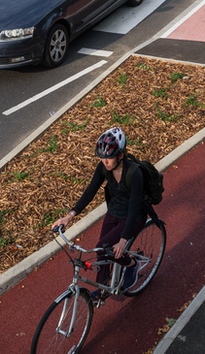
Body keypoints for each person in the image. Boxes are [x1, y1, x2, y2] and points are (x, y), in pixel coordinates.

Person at [51, 127, 146, 297]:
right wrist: (69, 216)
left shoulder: (134, 174)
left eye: (109, 157)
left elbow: (134, 208)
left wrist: (124, 240)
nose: (104, 161)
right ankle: (103, 291)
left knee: (108, 248)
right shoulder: (103, 168)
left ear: (121, 155)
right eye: (102, 156)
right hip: (114, 212)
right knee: (102, 251)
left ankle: (132, 264)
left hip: (134, 217)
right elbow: (90, 192)